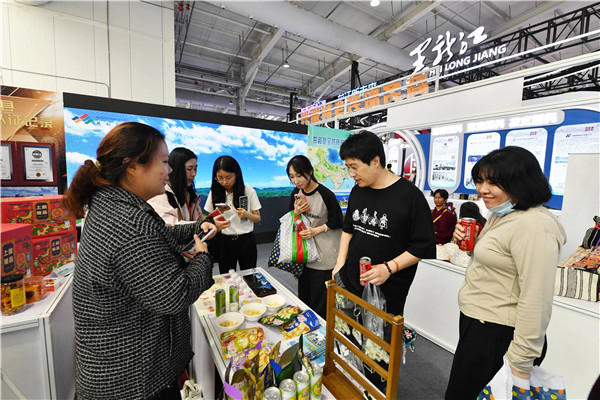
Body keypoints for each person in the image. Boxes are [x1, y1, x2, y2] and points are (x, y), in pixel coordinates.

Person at [62, 122, 217, 399]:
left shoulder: (111, 205)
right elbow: (175, 295)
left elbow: (155, 237)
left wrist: (195, 228)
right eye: (164, 162)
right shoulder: (129, 223)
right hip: (135, 380)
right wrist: (203, 258)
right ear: (133, 166)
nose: (169, 171)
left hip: (116, 371)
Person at [445, 146, 566, 400]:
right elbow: (500, 264)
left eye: (493, 182)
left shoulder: (535, 225)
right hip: (479, 324)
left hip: (498, 333)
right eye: (480, 181)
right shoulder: (503, 213)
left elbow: (536, 298)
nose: (482, 189)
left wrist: (520, 362)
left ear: (521, 182)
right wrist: (473, 245)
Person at [332, 130, 436, 318]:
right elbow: (348, 230)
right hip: (348, 280)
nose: (351, 174)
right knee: (344, 331)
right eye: (348, 168)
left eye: (354, 167)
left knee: (377, 336)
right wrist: (339, 264)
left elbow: (423, 246)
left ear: (375, 161)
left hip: (385, 293)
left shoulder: (410, 197)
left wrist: (388, 268)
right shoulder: (357, 191)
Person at [287, 155, 343, 319]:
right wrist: (296, 213)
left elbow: (338, 222)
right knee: (304, 298)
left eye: (299, 175)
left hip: (324, 257)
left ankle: (321, 332)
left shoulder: (325, 195)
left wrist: (315, 230)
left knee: (321, 302)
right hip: (304, 255)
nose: (296, 181)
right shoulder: (296, 194)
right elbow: (290, 221)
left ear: (310, 172)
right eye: (292, 177)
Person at [205, 155, 262, 274]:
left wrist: (247, 214)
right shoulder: (215, 192)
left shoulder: (249, 191)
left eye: (228, 177)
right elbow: (210, 220)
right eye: (220, 178)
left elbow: (257, 218)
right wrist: (218, 214)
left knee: (249, 276)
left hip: (246, 240)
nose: (224, 182)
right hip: (225, 241)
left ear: (236, 174)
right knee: (226, 277)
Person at [148, 147, 203, 225]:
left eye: (195, 169)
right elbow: (168, 225)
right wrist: (200, 225)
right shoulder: (160, 194)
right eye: (189, 169)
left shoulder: (191, 196)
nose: (194, 174)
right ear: (176, 169)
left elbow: (201, 221)